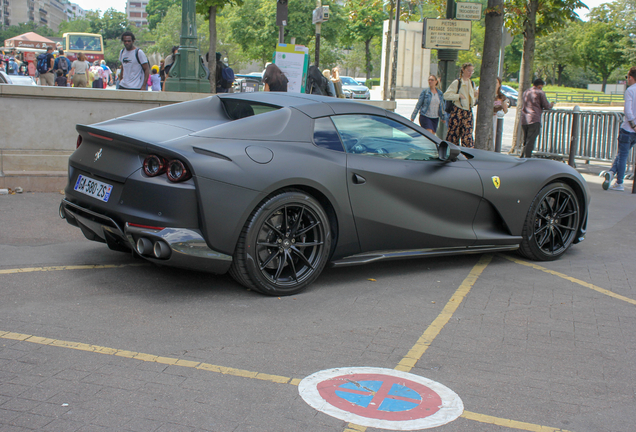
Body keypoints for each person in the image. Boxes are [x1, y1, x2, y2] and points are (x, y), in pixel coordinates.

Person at [602, 67, 636, 191]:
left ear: (631, 77)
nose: (627, 80)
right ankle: (611, 172)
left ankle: (619, 182)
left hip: (628, 128)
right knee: (622, 154)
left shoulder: (630, 91)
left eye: (627, 77)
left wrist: (633, 124)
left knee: (622, 156)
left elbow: (628, 110)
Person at [444, 62, 478, 147]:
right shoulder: (457, 82)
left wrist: (475, 95)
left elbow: (471, 99)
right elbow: (446, 95)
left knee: (468, 136)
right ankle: (451, 152)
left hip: (468, 111)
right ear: (463, 70)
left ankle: (467, 154)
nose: (470, 73)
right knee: (453, 135)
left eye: (472, 71)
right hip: (457, 110)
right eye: (468, 70)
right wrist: (458, 96)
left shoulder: (472, 83)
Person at [520, 78, 554, 158]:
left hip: (524, 119)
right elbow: (546, 105)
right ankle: (526, 158)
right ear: (540, 86)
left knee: (525, 140)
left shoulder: (526, 92)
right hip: (534, 119)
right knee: (530, 141)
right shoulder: (540, 92)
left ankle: (522, 156)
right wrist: (551, 105)